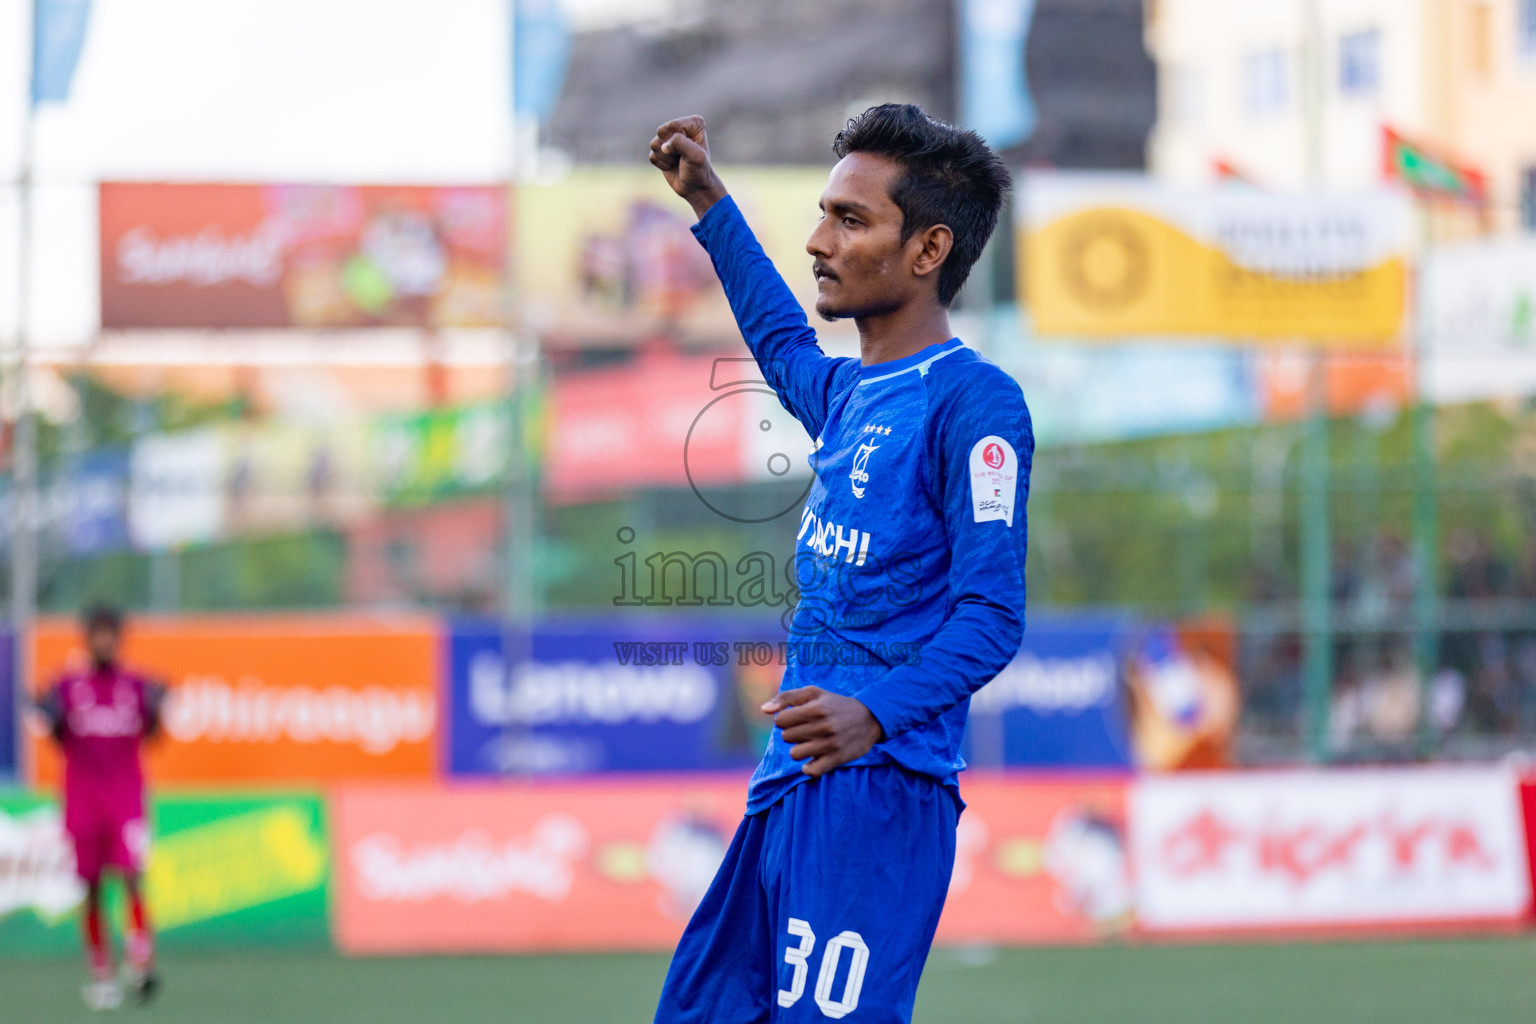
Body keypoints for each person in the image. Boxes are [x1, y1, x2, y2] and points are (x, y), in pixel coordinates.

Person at [647, 105, 1032, 1023]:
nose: (820, 241)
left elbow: (991, 615)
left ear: (930, 249)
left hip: (879, 794)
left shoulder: (975, 404)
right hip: (789, 785)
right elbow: (780, 341)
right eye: (824, 214)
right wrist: (707, 198)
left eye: (851, 220)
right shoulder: (852, 393)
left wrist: (874, 714)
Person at [35, 605, 166, 1010]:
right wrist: (49, 716)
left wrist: (159, 709)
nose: (105, 640)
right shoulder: (67, 687)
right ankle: (102, 974)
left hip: (126, 801)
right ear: (88, 637)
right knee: (90, 889)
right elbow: (55, 734)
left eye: (111, 633)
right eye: (98, 633)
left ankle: (140, 963)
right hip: (83, 803)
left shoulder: (137, 685)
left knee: (133, 876)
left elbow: (154, 735)